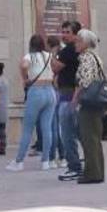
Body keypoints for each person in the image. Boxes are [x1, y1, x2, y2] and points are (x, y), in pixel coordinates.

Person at [7, 34, 56, 172]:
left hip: (36, 91)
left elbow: (24, 65)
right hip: (50, 91)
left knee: (28, 128)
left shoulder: (30, 56)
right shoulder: (48, 55)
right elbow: (55, 68)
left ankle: (19, 161)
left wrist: (25, 78)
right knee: (47, 127)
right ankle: (46, 161)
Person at [72, 28, 107, 185]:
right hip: (97, 102)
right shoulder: (95, 56)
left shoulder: (86, 57)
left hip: (89, 102)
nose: (76, 44)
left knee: (89, 138)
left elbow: (85, 81)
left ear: (85, 43)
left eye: (78, 41)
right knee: (95, 137)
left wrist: (75, 98)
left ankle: (92, 173)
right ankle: (98, 171)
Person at [52, 21, 84, 182]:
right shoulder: (79, 50)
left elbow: (55, 68)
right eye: (62, 31)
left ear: (75, 34)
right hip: (73, 96)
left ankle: (74, 167)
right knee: (79, 132)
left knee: (67, 134)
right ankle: (86, 162)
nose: (63, 35)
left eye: (67, 32)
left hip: (68, 97)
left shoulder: (68, 50)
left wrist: (54, 53)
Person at [45, 35, 63, 165]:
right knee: (61, 127)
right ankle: (63, 157)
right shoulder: (64, 54)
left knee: (53, 127)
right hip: (62, 91)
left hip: (54, 90)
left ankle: (51, 157)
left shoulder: (51, 57)